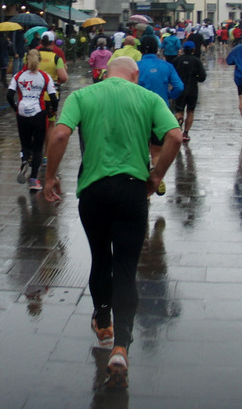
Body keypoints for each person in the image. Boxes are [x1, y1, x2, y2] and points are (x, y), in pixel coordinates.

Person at [42, 56, 182, 389]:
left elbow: (60, 135)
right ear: (134, 75)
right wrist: (156, 175)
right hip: (132, 191)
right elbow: (175, 137)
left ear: (106, 73)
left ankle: (102, 317)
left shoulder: (82, 95)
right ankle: (121, 347)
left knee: (101, 259)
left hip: (93, 192)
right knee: (125, 267)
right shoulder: (149, 97)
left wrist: (50, 177)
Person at [137, 35, 183, 194]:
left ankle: (143, 188)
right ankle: (158, 178)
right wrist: (168, 96)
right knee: (156, 151)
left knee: (140, 150)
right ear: (157, 49)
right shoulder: (167, 66)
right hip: (160, 114)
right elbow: (179, 87)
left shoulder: (136, 67)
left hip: (140, 114)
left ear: (140, 48)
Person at [7, 49, 57, 192]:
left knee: (25, 143)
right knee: (37, 148)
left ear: (26, 61)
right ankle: (34, 180)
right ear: (39, 60)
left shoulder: (18, 76)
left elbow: (9, 95)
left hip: (22, 112)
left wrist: (15, 108)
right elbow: (54, 97)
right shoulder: (45, 77)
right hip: (38, 113)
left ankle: (24, 160)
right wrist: (54, 109)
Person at [173, 40, 206, 143]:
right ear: (193, 50)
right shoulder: (197, 61)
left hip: (179, 90)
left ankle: (178, 130)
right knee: (190, 111)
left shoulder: (177, 60)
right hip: (192, 90)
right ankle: (186, 133)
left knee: (179, 111)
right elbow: (202, 77)